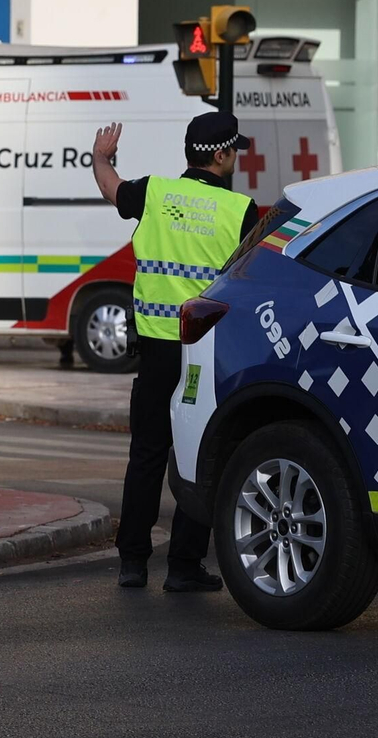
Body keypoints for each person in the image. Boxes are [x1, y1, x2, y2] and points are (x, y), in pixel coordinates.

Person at [91, 112, 259, 592]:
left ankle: (132, 563)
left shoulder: (154, 193)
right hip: (204, 356)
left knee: (146, 453)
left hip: (156, 353)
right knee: (199, 456)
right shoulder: (240, 211)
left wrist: (100, 157)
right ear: (222, 155)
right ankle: (184, 566)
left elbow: (110, 187)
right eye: (234, 152)